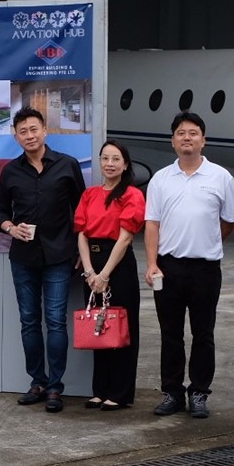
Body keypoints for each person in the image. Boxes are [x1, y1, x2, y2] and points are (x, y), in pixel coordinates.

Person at [144, 111, 234, 419]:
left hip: (205, 270)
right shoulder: (160, 179)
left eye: (193, 133)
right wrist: (152, 264)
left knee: (203, 333)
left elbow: (228, 222)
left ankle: (199, 392)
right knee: (170, 334)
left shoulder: (221, 177)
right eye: (181, 133)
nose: (187, 138)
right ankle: (171, 392)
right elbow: (152, 225)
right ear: (173, 141)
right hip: (168, 269)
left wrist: (205, 242)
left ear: (203, 140)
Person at [0, 107, 85, 413]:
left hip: (59, 256)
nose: (29, 136)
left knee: (56, 322)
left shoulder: (67, 166)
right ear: (16, 136)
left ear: (45, 131)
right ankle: (38, 382)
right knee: (29, 322)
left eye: (34, 129)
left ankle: (56, 388)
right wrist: (10, 227)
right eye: (23, 131)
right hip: (23, 257)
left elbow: (81, 213)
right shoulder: (11, 171)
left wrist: (80, 254)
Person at [73, 139, 145, 411]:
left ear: (125, 164)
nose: (110, 163)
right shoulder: (90, 194)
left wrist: (104, 275)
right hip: (92, 264)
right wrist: (91, 271)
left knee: (122, 326)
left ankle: (120, 391)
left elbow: (125, 238)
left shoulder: (132, 195)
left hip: (118, 263)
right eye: (105, 158)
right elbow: (81, 233)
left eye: (116, 159)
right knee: (97, 325)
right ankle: (100, 390)